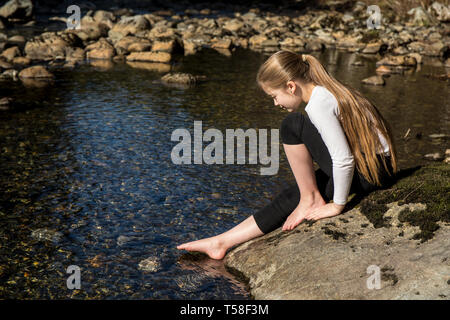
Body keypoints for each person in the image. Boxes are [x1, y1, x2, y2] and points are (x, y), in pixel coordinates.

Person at [177, 50, 398, 260]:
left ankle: (309, 199)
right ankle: (222, 242)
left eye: (274, 96)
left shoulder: (320, 103)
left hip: (370, 172)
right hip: (376, 169)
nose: (275, 103)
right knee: (294, 196)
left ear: (291, 86)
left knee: (292, 124)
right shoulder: (326, 90)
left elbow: (343, 159)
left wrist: (337, 205)